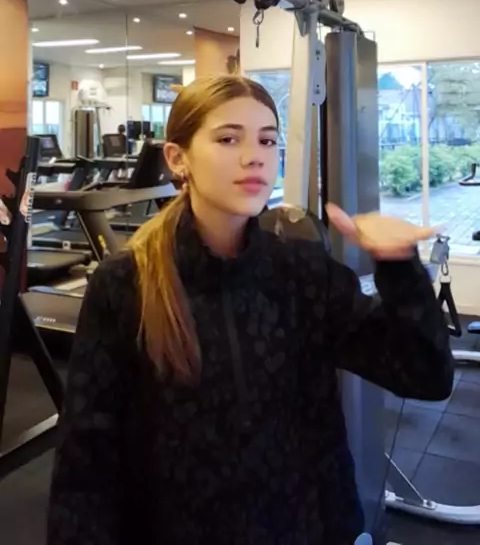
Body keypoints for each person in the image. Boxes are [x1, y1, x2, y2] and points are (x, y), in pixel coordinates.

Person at [48, 75, 454, 545]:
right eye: (228, 139)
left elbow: (426, 375)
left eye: (267, 140)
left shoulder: (303, 273)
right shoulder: (125, 284)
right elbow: (87, 464)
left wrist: (399, 266)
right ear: (178, 158)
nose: (254, 156)